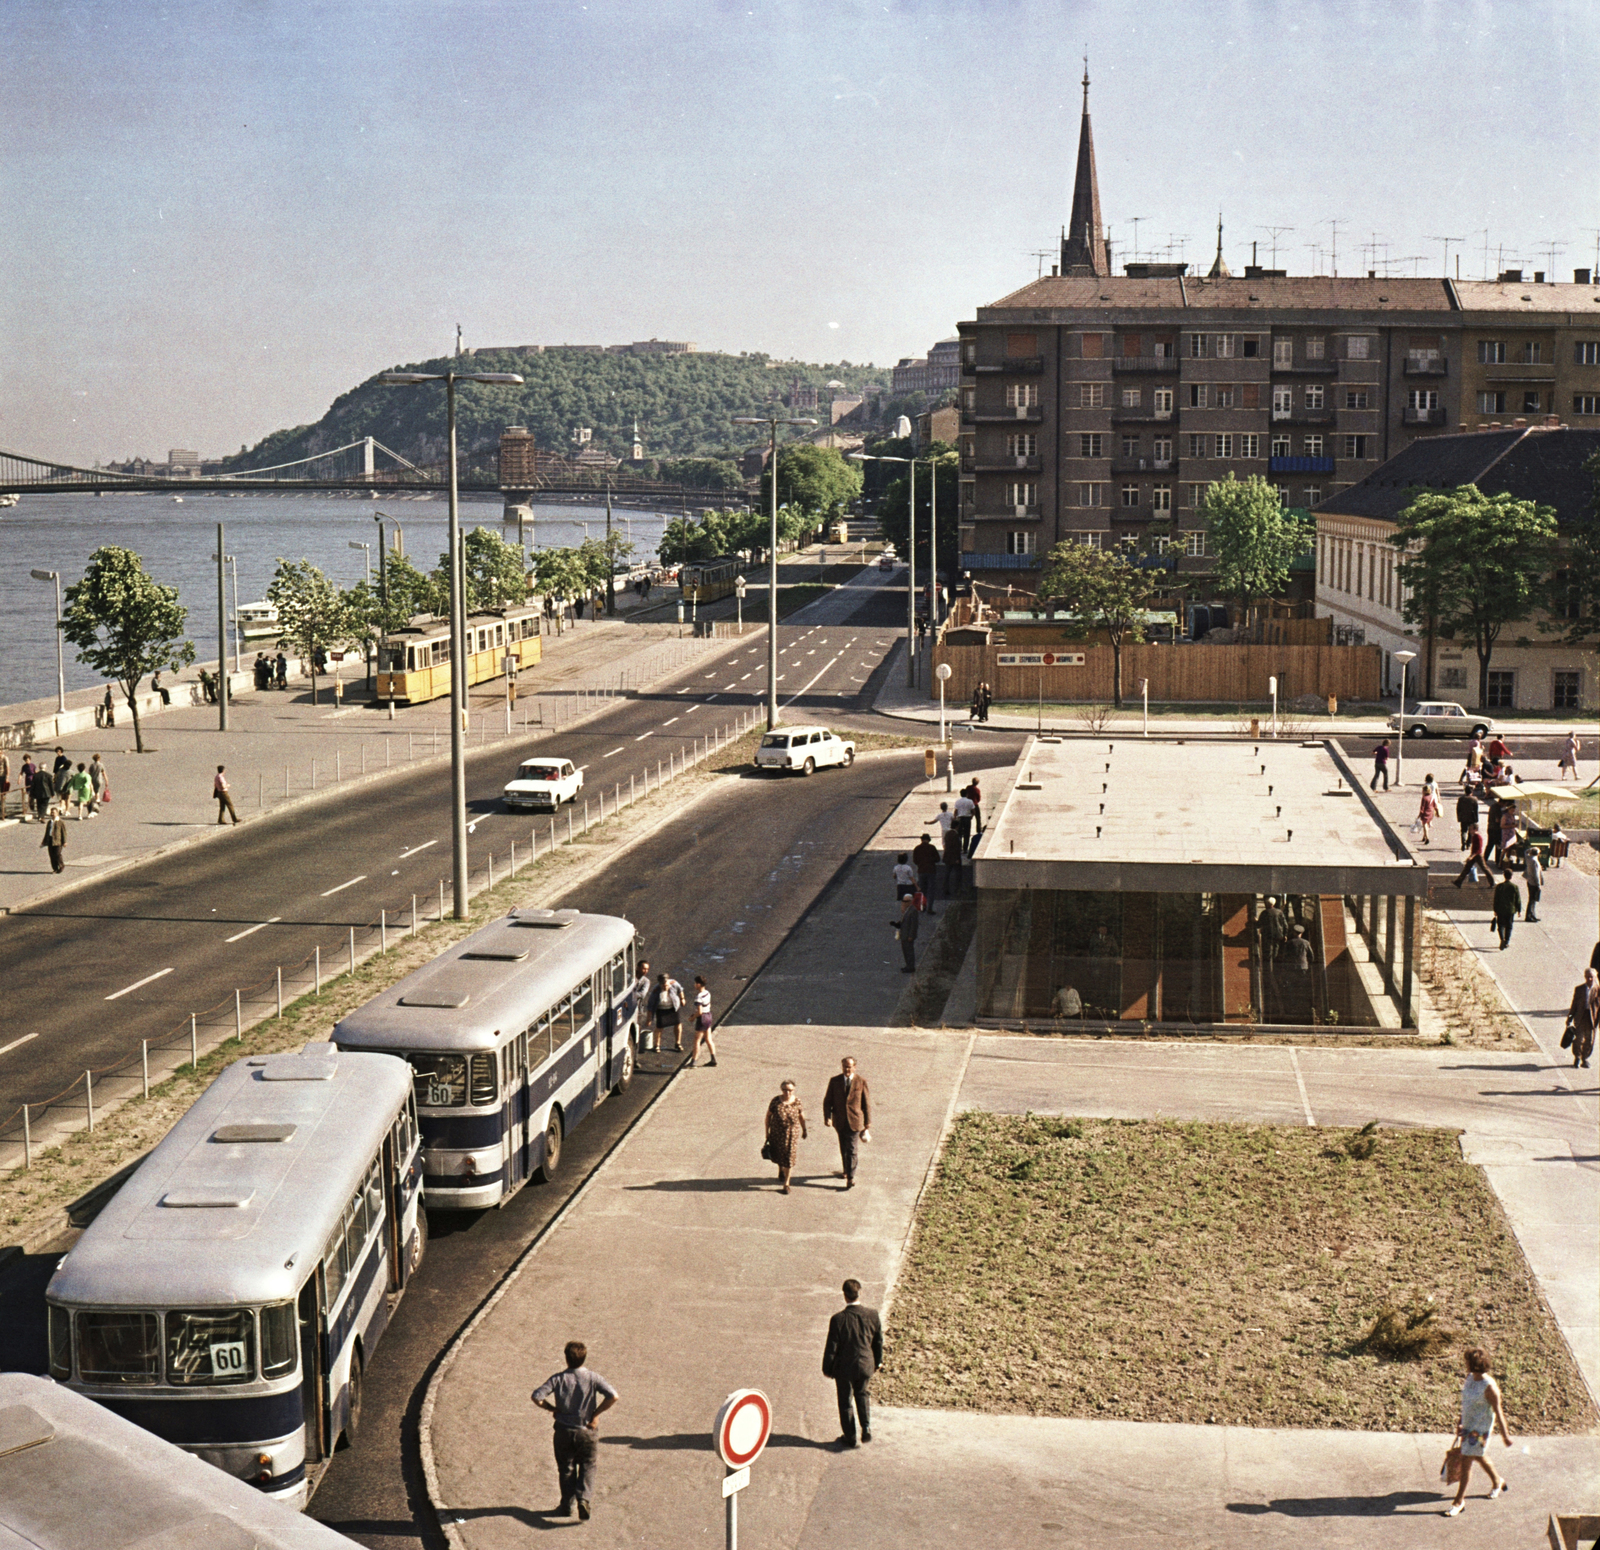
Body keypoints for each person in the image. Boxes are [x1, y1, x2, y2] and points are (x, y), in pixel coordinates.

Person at [531, 1340, 618, 1521]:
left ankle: (566, 1506)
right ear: (584, 1357)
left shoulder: (558, 1378)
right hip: (586, 1430)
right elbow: (613, 1396)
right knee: (588, 1465)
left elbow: (537, 1397)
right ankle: (583, 1498)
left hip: (563, 1431)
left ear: (566, 1359)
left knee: (566, 1468)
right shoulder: (593, 1378)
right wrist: (596, 1413)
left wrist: (551, 1408)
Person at [1444, 1347, 1511, 1515]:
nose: (1464, 1364)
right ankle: (1498, 1481)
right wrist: (1461, 1422)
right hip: (1468, 1426)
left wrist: (1505, 1436)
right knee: (1478, 1456)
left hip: (1479, 1431)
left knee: (1467, 1462)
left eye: (1467, 1361)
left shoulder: (1489, 1387)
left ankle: (1459, 1501)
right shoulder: (1470, 1378)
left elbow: (1498, 1411)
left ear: (1474, 1364)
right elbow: (1466, 1403)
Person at [822, 1279, 883, 1448]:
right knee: (862, 1394)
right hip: (865, 1365)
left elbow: (831, 1348)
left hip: (845, 1368)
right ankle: (866, 1427)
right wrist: (878, 1362)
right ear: (859, 1293)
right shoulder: (873, 1315)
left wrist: (827, 1368)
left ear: (844, 1296)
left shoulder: (838, 1319)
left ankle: (850, 1437)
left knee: (845, 1402)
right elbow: (878, 1342)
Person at [823, 1056, 871, 1190]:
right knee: (844, 1147)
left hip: (855, 1120)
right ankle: (846, 1170)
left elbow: (866, 1103)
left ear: (854, 1067)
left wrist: (868, 1122)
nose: (847, 1069)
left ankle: (850, 1177)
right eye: (845, 1067)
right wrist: (828, 1117)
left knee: (852, 1149)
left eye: (849, 1067)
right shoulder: (835, 1081)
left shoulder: (861, 1082)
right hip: (839, 1121)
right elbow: (828, 1101)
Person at [764, 1079, 808, 1193]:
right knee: (779, 1152)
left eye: (790, 1090)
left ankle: (786, 1184)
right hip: (777, 1132)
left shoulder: (797, 1101)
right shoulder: (776, 1101)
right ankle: (781, 1170)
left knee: (789, 1156)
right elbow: (768, 1116)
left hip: (792, 1134)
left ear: (793, 1090)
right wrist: (767, 1133)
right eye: (784, 1090)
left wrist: (804, 1129)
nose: (787, 1093)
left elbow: (801, 1116)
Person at [1565, 969, 1598, 1069]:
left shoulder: (1598, 990)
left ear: (1595, 977)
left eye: (1592, 977)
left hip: (1592, 1019)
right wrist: (1570, 1018)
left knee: (1589, 1040)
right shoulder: (1579, 989)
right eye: (1588, 977)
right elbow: (1574, 1005)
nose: (1590, 979)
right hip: (1580, 1017)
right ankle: (1577, 1056)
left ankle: (1585, 1058)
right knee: (1578, 1039)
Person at [647, 971, 684, 1054]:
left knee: (678, 1024)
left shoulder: (674, 983)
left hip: (673, 1007)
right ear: (660, 984)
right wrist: (649, 1019)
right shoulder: (656, 990)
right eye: (663, 986)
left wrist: (682, 999)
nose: (665, 987)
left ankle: (678, 1043)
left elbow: (680, 989)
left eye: (666, 985)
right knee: (659, 1027)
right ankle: (657, 1045)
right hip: (661, 1009)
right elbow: (650, 1005)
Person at [688, 974, 717, 1067]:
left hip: (702, 1018)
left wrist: (692, 1018)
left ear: (699, 984)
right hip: (708, 1016)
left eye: (695, 983)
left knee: (697, 1040)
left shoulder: (698, 997)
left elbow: (700, 1012)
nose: (694, 985)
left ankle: (694, 1061)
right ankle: (713, 1058)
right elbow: (709, 1005)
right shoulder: (708, 993)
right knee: (708, 1039)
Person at [911, 832, 940, 914]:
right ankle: (929, 908)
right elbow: (937, 859)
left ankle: (922, 906)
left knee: (922, 889)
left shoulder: (917, 848)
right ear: (929, 840)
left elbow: (915, 861)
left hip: (921, 871)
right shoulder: (932, 848)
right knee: (931, 890)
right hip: (931, 871)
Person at [1491, 871, 1520, 950]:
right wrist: (1519, 910)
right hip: (1510, 910)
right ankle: (1507, 941)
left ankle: (1502, 939)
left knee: (1500, 925)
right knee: (1509, 926)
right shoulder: (1514, 887)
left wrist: (1495, 909)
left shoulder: (1499, 886)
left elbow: (1496, 899)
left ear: (1504, 876)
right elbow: (1517, 899)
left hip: (1501, 909)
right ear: (1511, 876)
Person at [892, 892, 919, 973]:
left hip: (908, 935)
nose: (904, 903)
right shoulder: (907, 910)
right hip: (904, 934)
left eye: (906, 901)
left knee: (909, 951)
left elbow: (914, 925)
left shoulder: (913, 911)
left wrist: (911, 935)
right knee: (905, 951)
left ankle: (910, 966)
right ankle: (908, 965)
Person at [1258, 896, 1288, 968]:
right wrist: (1285, 935)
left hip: (1267, 935)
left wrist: (1255, 921)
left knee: (1268, 952)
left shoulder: (1264, 913)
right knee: (1276, 951)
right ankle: (1275, 966)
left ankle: (1268, 967)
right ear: (1274, 904)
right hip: (1278, 935)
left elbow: (1259, 924)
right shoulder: (1279, 912)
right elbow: (1285, 925)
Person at [631, 960, 654, 1050]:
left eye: (647, 969)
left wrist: (630, 995)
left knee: (636, 1031)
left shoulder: (646, 981)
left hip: (637, 1008)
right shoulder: (630, 977)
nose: (645, 971)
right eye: (644, 968)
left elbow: (642, 994)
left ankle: (635, 1053)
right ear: (638, 967)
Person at [41, 801, 67, 873]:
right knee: (51, 855)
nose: (52, 814)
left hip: (58, 841)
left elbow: (64, 832)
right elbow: (47, 832)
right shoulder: (50, 822)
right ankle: (55, 868)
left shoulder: (60, 822)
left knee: (57, 854)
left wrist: (64, 841)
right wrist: (44, 841)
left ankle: (61, 865)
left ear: (57, 813)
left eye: (54, 812)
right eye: (51, 812)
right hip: (50, 840)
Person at [1522, 846, 1543, 923]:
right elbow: (1536, 874)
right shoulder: (1535, 861)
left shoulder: (1529, 858)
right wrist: (1538, 884)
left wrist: (1531, 849)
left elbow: (1525, 852)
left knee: (1532, 899)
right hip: (1534, 882)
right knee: (1532, 900)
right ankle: (1529, 915)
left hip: (1529, 881)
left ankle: (1532, 915)